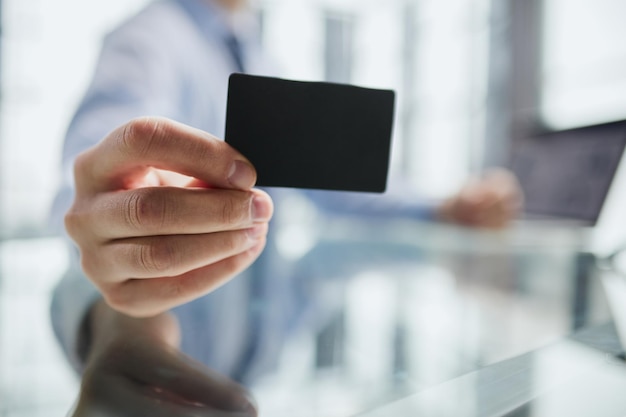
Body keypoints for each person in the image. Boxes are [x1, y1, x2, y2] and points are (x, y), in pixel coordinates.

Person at [50, 0, 523, 407]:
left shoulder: (257, 55)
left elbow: (330, 185)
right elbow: (89, 174)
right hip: (158, 354)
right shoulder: (148, 37)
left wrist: (441, 207)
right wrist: (104, 208)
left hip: (246, 366)